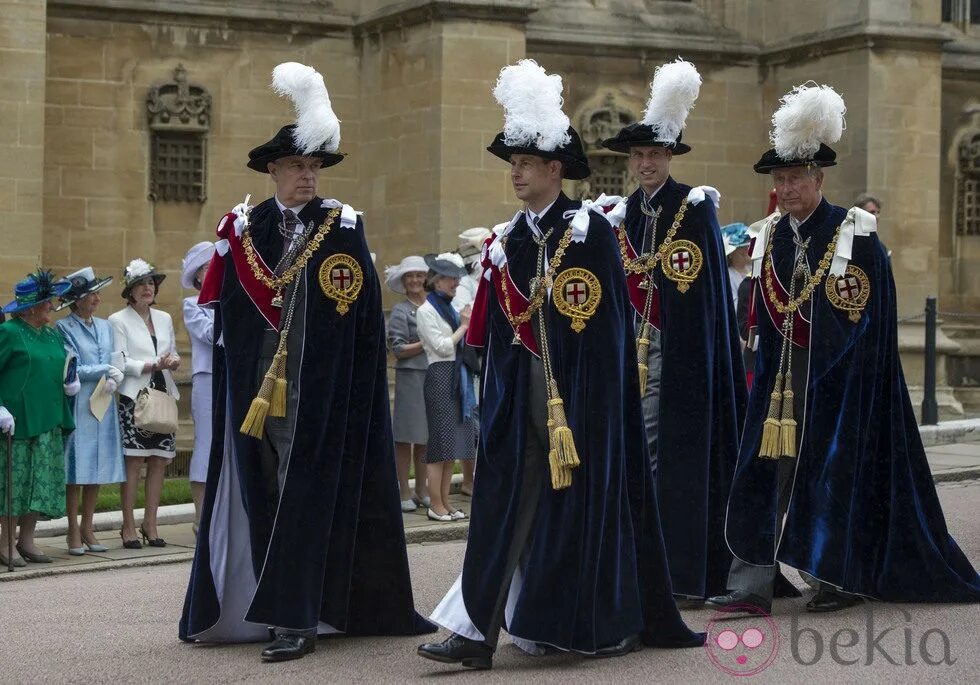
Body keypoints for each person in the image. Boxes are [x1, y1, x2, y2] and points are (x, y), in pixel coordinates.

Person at [419, 59, 701, 671]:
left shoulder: (590, 232)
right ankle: (475, 632)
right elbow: (494, 331)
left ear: (554, 169)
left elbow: (605, 331)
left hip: (580, 400)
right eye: (512, 164)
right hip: (516, 394)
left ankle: (588, 621)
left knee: (578, 512)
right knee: (501, 507)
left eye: (525, 164)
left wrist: (586, 405)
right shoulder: (509, 238)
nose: (515, 174)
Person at [180, 62, 434, 662]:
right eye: (298, 167)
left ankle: (300, 617)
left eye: (314, 167)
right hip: (253, 391)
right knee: (262, 490)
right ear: (273, 170)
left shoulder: (340, 228)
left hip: (315, 391)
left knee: (304, 490)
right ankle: (276, 604)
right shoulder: (245, 230)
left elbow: (361, 323)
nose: (308, 178)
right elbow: (224, 315)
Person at [709, 83, 980, 615]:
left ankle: (834, 576)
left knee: (829, 476)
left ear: (819, 179)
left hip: (840, 380)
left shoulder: (855, 237)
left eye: (795, 179)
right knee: (764, 473)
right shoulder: (770, 239)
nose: (786, 189)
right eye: (779, 180)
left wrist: (841, 375)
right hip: (777, 380)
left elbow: (869, 321)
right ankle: (750, 585)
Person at [600, 59, 746, 605]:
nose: (644, 164)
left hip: (677, 354)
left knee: (659, 454)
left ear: (669, 157)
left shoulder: (694, 208)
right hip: (626, 349)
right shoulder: (619, 215)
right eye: (637, 156)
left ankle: (669, 571)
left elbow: (703, 297)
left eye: (654, 155)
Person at [0, 271, 78, 567]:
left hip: (50, 418)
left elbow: (60, 367)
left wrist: (71, 383)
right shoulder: (8, 333)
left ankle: (27, 540)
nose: (54, 305)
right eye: (48, 301)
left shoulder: (52, 334)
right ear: (33, 307)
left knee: (40, 484)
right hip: (16, 422)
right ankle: (5, 542)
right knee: (15, 485)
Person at [108, 258, 181, 550]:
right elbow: (121, 361)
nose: (147, 288)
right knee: (134, 461)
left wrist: (172, 361)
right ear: (130, 291)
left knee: (160, 460)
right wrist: (153, 363)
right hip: (134, 397)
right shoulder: (118, 320)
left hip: (163, 395)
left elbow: (172, 352)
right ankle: (127, 525)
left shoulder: (164, 318)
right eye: (141, 284)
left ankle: (150, 523)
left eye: (151, 283)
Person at [56, 267, 125, 556]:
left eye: (97, 293)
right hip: (81, 403)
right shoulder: (64, 328)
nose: (97, 299)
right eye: (91, 295)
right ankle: (72, 528)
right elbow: (72, 368)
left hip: (104, 402)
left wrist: (115, 373)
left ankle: (88, 526)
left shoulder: (105, 326)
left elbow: (114, 358)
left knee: (97, 468)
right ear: (77, 300)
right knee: (77, 467)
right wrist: (103, 370)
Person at [415, 253, 476, 522]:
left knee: (452, 446)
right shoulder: (426, 310)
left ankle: (446, 503)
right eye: (451, 279)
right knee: (440, 445)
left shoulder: (448, 308)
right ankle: (435, 505)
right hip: (440, 375)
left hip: (455, 375)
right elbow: (441, 346)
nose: (455, 284)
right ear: (437, 281)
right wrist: (464, 326)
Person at [384, 255, 430, 512]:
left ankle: (422, 489)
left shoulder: (433, 305)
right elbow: (399, 348)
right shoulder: (402, 311)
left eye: (419, 275)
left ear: (425, 278)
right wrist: (428, 341)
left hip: (434, 374)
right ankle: (404, 490)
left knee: (426, 437)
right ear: (404, 281)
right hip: (411, 376)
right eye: (410, 276)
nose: (415, 280)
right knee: (405, 437)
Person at [451, 227, 491, 496]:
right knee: (471, 419)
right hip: (471, 358)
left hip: (490, 354)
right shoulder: (465, 284)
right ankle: (468, 479)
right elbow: (466, 314)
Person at [181, 241, 216, 534]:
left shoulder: (228, 300)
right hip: (207, 377)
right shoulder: (192, 305)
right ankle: (200, 516)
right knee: (206, 443)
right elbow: (208, 335)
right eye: (207, 267)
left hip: (231, 378)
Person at [722, 223, 752, 309]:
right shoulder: (728, 276)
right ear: (731, 254)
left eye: (748, 246)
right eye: (742, 248)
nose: (747, 250)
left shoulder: (753, 270)